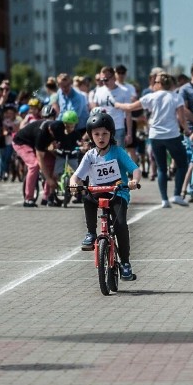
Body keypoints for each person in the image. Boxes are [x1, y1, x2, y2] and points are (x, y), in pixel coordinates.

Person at [69, 111, 141, 281]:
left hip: (118, 192)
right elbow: (77, 175)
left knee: (121, 224)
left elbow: (135, 169)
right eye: (96, 134)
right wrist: (73, 183)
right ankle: (90, 233)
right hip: (97, 191)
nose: (101, 138)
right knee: (87, 198)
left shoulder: (118, 152)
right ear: (91, 136)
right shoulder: (90, 155)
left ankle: (125, 263)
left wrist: (133, 180)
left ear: (111, 134)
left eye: (105, 134)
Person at [113, 72, 189, 207]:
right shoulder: (176, 97)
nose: (153, 84)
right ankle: (177, 194)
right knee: (182, 164)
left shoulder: (151, 97)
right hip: (172, 135)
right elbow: (182, 118)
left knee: (161, 168)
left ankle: (164, 199)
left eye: (155, 82)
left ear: (160, 84)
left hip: (155, 136)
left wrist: (117, 104)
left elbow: (131, 107)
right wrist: (187, 130)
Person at [12, 106, 77, 207]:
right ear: (50, 130)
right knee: (34, 165)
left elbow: (56, 147)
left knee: (52, 162)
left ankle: (47, 197)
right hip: (22, 143)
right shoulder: (41, 133)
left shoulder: (58, 127)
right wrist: (49, 179)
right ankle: (28, 199)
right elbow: (40, 158)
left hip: (39, 145)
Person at [91, 66, 132, 146]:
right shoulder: (99, 91)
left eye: (106, 79)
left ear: (113, 77)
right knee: (103, 156)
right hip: (102, 129)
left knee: (118, 155)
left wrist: (129, 134)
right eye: (101, 80)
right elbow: (94, 111)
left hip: (118, 128)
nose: (103, 82)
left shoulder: (124, 91)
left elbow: (128, 114)